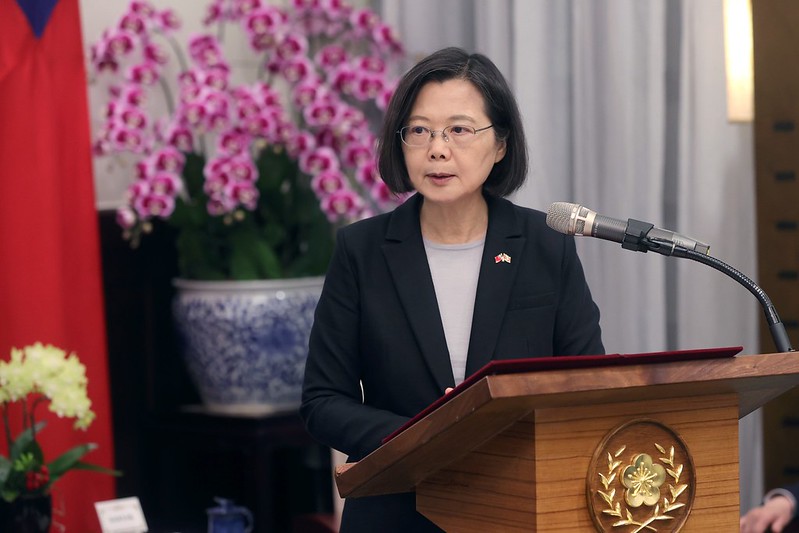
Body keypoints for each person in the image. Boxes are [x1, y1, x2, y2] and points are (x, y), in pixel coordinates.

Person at [300, 46, 604, 532]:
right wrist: (424, 437)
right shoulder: (362, 250)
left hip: (520, 506)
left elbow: (587, 385)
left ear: (500, 144)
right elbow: (323, 402)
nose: (437, 149)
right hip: (397, 509)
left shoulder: (545, 245)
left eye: (459, 130)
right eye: (420, 131)